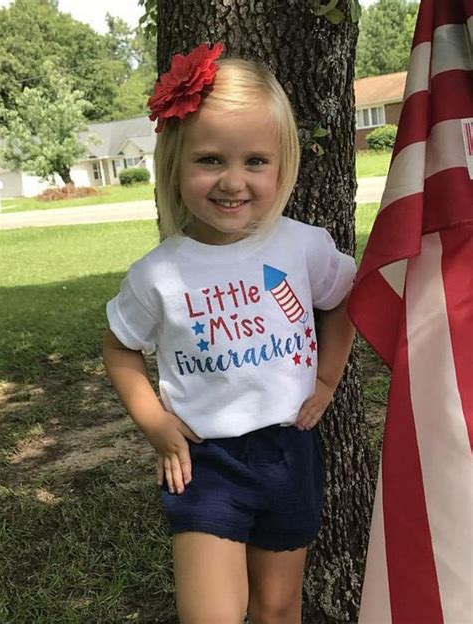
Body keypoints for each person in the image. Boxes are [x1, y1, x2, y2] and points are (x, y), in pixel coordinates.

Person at [103, 42, 356, 624]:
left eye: (255, 161)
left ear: (282, 162)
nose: (232, 181)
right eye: (211, 159)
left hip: (288, 452)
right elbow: (119, 347)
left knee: (277, 608)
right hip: (202, 462)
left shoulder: (301, 245)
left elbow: (344, 301)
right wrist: (155, 423)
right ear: (175, 163)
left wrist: (326, 379)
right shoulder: (157, 274)